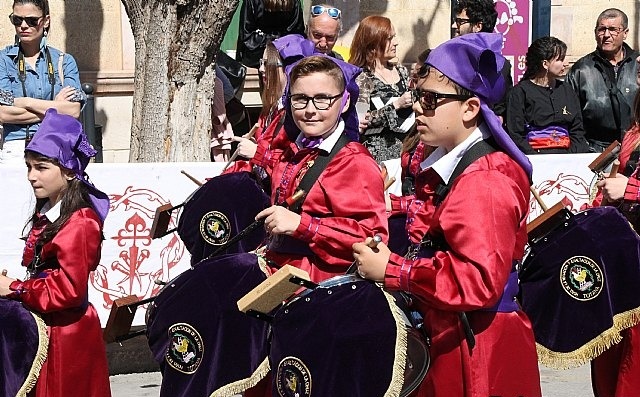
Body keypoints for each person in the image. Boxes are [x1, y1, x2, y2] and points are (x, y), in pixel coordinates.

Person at [352, 33, 541, 397]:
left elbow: (477, 281)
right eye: (418, 95)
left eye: (431, 99)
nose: (418, 108)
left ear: (470, 108)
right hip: (457, 333)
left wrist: (392, 269)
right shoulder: (459, 166)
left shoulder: (485, 179)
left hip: (480, 347)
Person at [0, 108, 111, 397]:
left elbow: (69, 290)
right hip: (47, 325)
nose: (31, 176)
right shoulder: (51, 212)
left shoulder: (81, 222)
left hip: (67, 332)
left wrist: (15, 288)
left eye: (41, 167)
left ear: (70, 170)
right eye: (28, 166)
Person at [591, 67, 640, 397]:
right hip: (625, 251)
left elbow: (629, 184)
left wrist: (633, 189)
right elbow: (621, 173)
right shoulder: (635, 127)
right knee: (611, 343)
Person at [0, 0, 85, 164]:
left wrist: (25, 102)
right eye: (17, 20)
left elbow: (73, 111)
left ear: (46, 21)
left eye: (31, 20)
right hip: (16, 150)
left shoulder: (64, 61)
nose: (23, 26)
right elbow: (4, 113)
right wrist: (55, 106)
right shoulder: (3, 60)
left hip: (57, 145)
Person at [567, 8, 639, 152]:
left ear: (625, 33)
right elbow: (571, 116)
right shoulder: (582, 69)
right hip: (594, 150)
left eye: (613, 29)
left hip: (635, 148)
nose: (606, 35)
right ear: (595, 33)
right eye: (601, 29)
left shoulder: (637, 65)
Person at [506, 36, 590, 154]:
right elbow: (515, 134)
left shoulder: (567, 90)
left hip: (568, 158)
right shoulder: (520, 92)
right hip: (534, 159)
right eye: (560, 59)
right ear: (545, 64)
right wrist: (537, 159)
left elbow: (577, 130)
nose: (565, 63)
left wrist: (571, 156)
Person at [349, 15, 414, 162]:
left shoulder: (402, 71)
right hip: (376, 158)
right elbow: (362, 120)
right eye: (389, 39)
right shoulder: (363, 78)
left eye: (394, 37)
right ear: (373, 43)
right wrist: (396, 105)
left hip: (405, 154)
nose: (396, 43)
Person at [451, 0, 512, 122]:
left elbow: (503, 107)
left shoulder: (500, 65)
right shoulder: (449, 56)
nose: (454, 26)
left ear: (478, 26)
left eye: (460, 22)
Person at [236, 0, 305, 70]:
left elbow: (297, 35)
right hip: (259, 53)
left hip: (283, 52)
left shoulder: (294, 2)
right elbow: (246, 36)